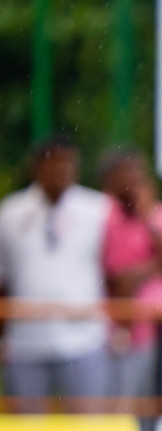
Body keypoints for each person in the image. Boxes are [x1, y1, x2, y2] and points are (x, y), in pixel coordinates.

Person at [0, 136, 113, 413]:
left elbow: (114, 270)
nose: (61, 169)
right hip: (26, 341)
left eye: (68, 162)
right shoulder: (11, 213)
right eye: (54, 162)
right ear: (36, 167)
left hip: (84, 338)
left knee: (87, 429)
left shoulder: (99, 210)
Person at [99, 148, 162, 404]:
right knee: (124, 411)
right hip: (124, 335)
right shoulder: (106, 219)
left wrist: (148, 222)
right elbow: (116, 280)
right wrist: (160, 265)